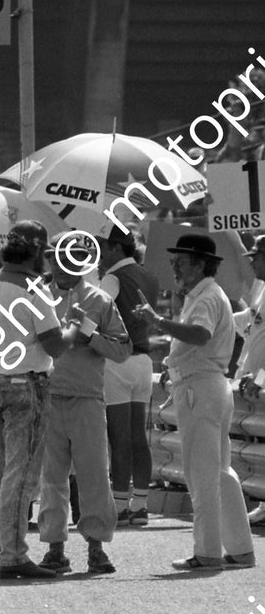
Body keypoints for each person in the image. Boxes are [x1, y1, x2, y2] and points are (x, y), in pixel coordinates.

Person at [134, 233, 255, 571]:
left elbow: (200, 335)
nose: (175, 268)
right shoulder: (205, 294)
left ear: (201, 265)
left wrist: (157, 321)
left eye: (181, 262)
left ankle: (207, 552)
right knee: (220, 473)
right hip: (207, 386)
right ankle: (239, 549)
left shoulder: (205, 297)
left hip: (200, 390)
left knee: (202, 475)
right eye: (174, 262)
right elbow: (198, 340)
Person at [0, 221, 67, 578]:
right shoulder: (35, 290)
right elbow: (55, 344)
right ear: (36, 252)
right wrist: (76, 329)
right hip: (26, 383)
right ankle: (13, 555)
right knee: (20, 474)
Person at [37, 233, 130, 574]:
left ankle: (96, 546)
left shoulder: (99, 299)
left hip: (87, 397)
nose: (65, 263)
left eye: (75, 256)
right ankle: (54, 547)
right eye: (59, 256)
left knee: (94, 475)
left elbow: (122, 350)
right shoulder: (37, 297)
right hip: (47, 395)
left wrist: (88, 332)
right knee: (51, 477)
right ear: (49, 259)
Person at [95, 228, 161, 526]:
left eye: (103, 248)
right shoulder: (150, 276)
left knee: (118, 437)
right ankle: (141, 503)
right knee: (138, 436)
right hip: (144, 361)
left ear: (115, 248)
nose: (100, 255)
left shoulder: (112, 277)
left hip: (118, 360)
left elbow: (98, 313)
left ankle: (120, 504)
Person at [233, 235, 265, 525]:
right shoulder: (261, 289)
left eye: (257, 256)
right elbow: (252, 324)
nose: (252, 262)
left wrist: (261, 377)